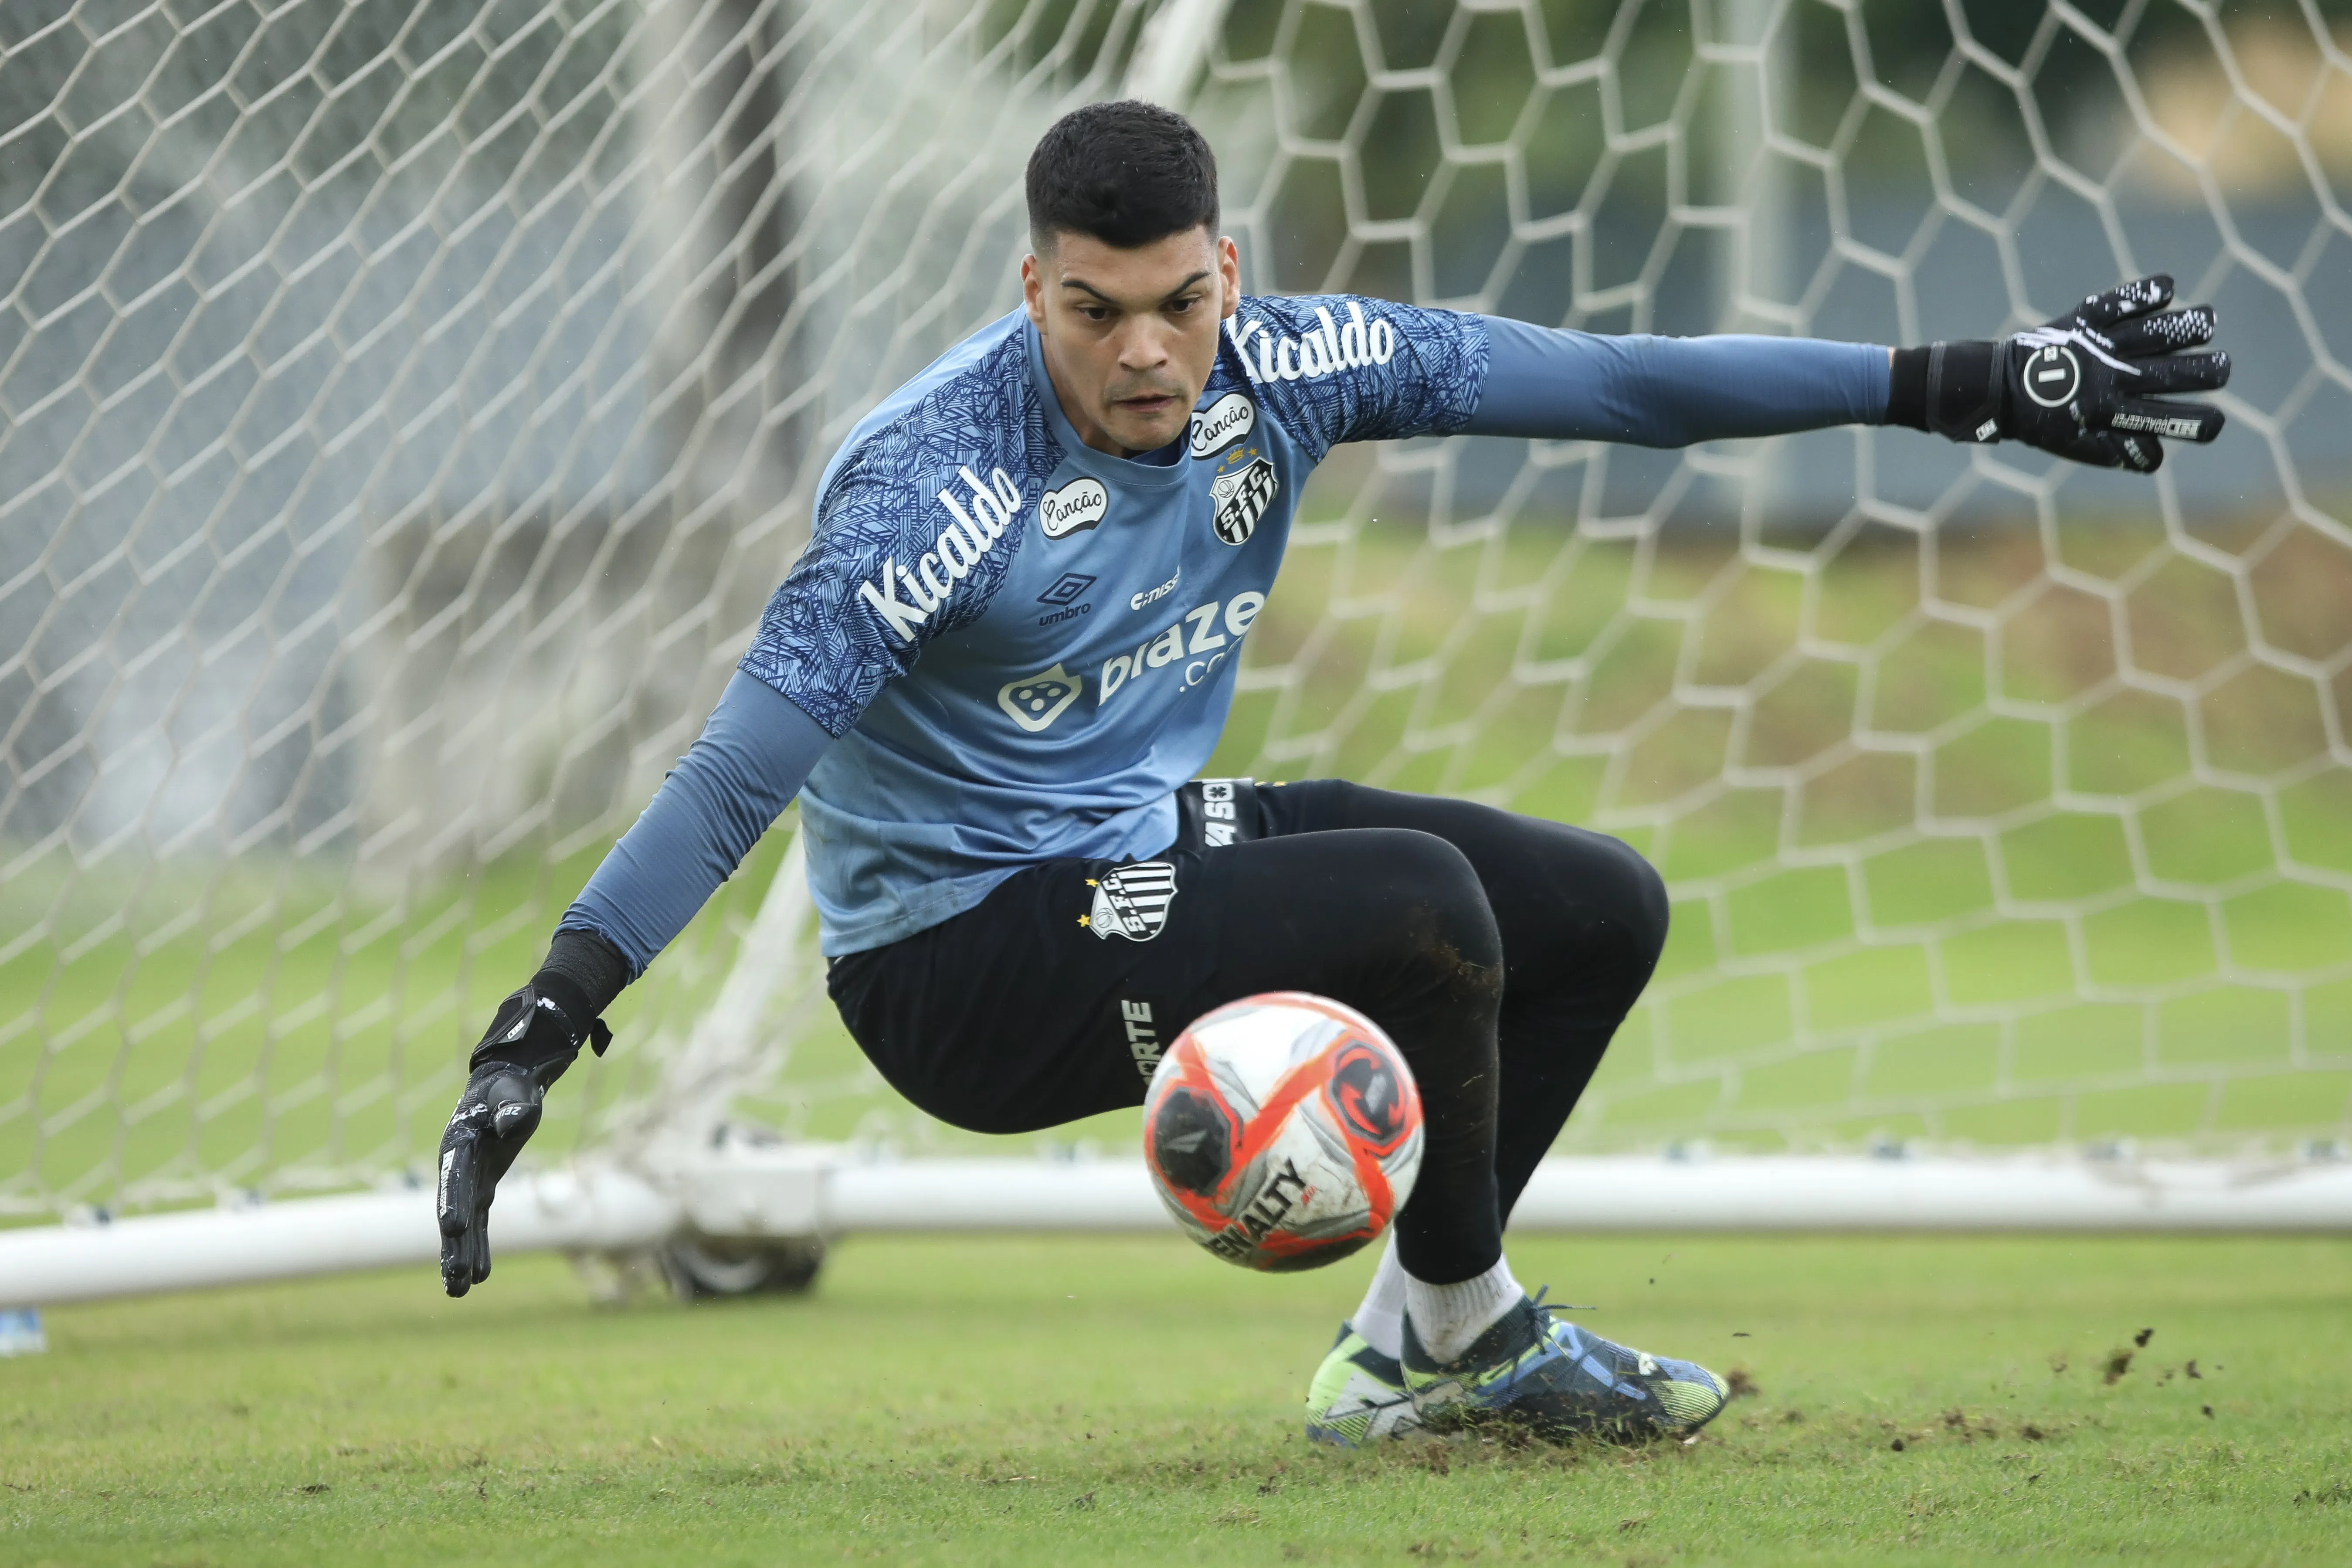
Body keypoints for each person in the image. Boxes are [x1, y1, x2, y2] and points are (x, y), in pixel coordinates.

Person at [432, 100, 2229, 1446]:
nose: (1141, 348)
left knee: (1594, 905)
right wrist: (543, 1017)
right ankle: (1470, 1333)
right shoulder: (931, 485)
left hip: (1125, 840)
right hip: (953, 955)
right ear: (1030, 286)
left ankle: (1399, 1340)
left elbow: (1616, 384)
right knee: (1418, 909)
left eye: (1175, 302)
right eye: (1091, 310)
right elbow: (740, 767)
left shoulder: (1283, 368)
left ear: (1225, 269)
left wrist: (1967, 378)